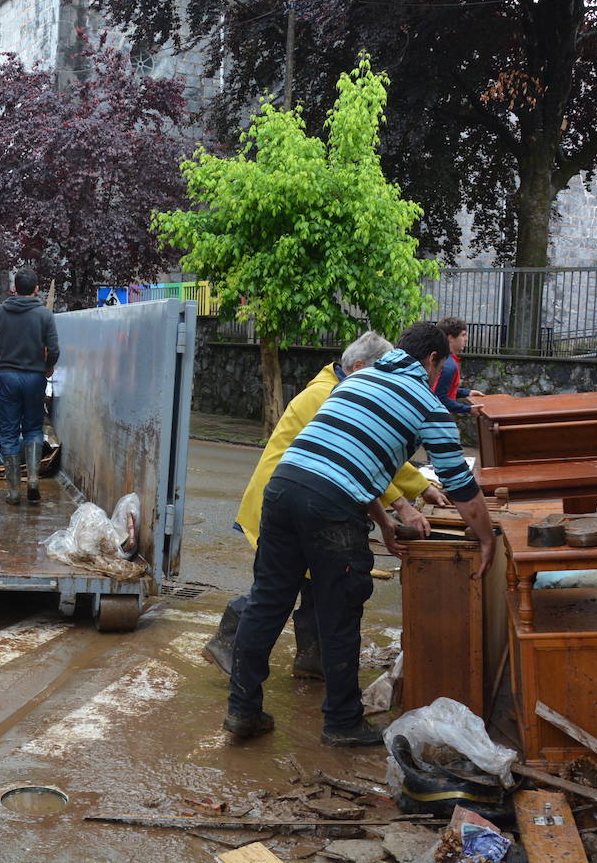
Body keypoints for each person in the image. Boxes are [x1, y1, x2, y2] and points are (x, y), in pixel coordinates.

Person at [225, 322, 498, 746]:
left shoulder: (359, 378)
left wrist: (386, 521)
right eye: (440, 365)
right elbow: (459, 483)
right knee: (340, 611)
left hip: (282, 490)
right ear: (431, 360)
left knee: (267, 604)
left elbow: (352, 455)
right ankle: (342, 723)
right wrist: (486, 537)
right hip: (328, 505)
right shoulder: (427, 404)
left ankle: (242, 711)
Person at [202, 331, 451, 676]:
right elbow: (360, 456)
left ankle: (311, 661)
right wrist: (403, 503)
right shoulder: (329, 393)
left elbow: (378, 454)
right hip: (288, 502)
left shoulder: (344, 388)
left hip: (296, 499)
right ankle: (228, 641)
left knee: (312, 588)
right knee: (279, 589)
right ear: (360, 366)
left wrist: (421, 487)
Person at [0, 269, 60, 504]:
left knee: (9, 431)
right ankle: (33, 479)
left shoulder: (0, 312)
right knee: (34, 428)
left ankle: (14, 491)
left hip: (8, 378)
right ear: (36, 289)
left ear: (14, 288)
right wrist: (47, 367)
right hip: (35, 378)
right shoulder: (44, 315)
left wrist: (5, 349)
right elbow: (54, 350)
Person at [432, 316, 484, 413]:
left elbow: (444, 390)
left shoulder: (444, 360)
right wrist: (468, 409)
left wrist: (467, 392)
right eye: (463, 335)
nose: (466, 339)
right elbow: (440, 398)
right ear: (450, 338)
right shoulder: (448, 365)